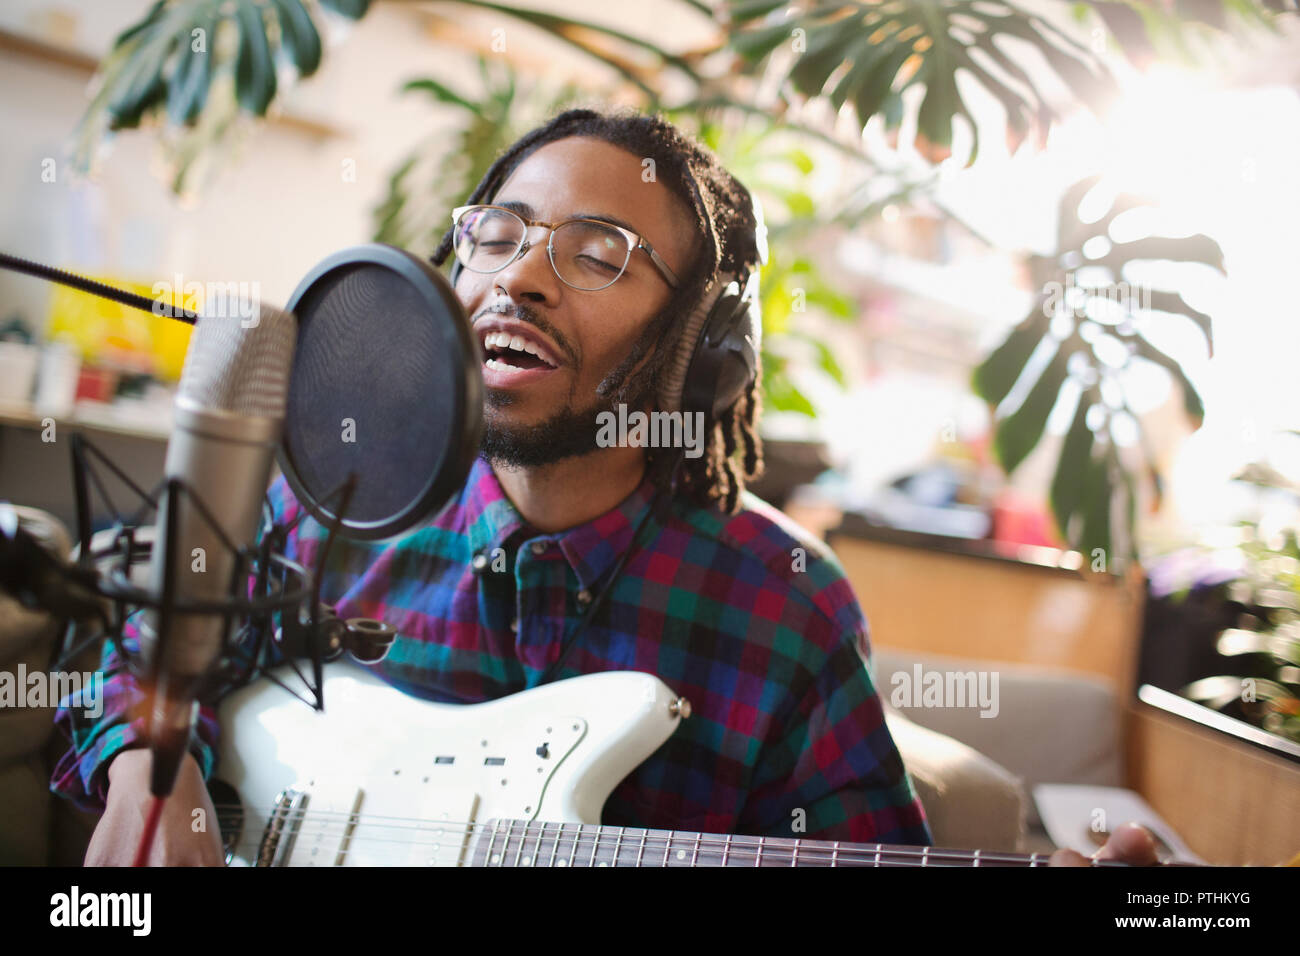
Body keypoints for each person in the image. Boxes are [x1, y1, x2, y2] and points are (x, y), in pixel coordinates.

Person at [52, 107, 1153, 868]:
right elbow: (131, 640)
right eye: (499, 235)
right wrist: (154, 764)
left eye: (598, 252)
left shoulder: (784, 603)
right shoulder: (322, 491)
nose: (520, 275)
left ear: (700, 347)